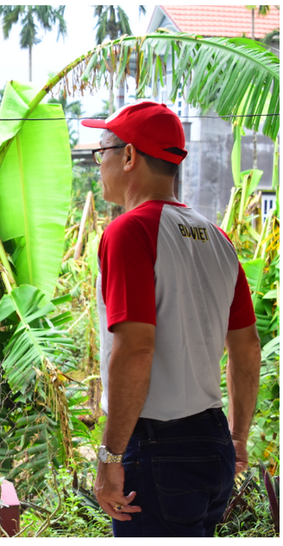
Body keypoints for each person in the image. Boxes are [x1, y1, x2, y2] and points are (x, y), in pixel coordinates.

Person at [82, 102, 261, 537]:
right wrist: (237, 438)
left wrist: (110, 458)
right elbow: (247, 348)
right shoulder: (218, 239)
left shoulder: (129, 232)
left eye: (102, 150)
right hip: (211, 442)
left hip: (158, 450)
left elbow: (136, 349)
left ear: (129, 157)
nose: (99, 162)